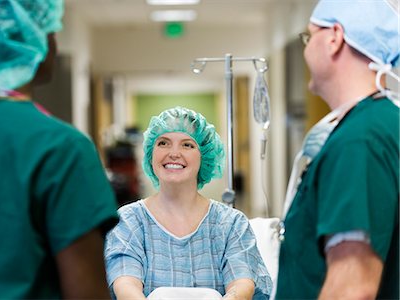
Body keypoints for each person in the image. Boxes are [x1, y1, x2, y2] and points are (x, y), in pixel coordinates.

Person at [0, 0, 118, 298]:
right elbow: (86, 293)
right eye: (51, 29)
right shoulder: (62, 147)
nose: (54, 38)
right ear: (36, 39)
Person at [276, 0, 399, 299]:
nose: (306, 49)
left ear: (334, 38)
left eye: (309, 36)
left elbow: (352, 287)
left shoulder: (359, 140)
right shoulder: (378, 125)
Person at [105, 107, 273, 299]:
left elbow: (242, 285)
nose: (174, 153)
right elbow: (126, 285)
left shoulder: (230, 224)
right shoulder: (129, 221)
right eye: (163, 143)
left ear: (204, 156)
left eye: (187, 145)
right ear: (151, 154)